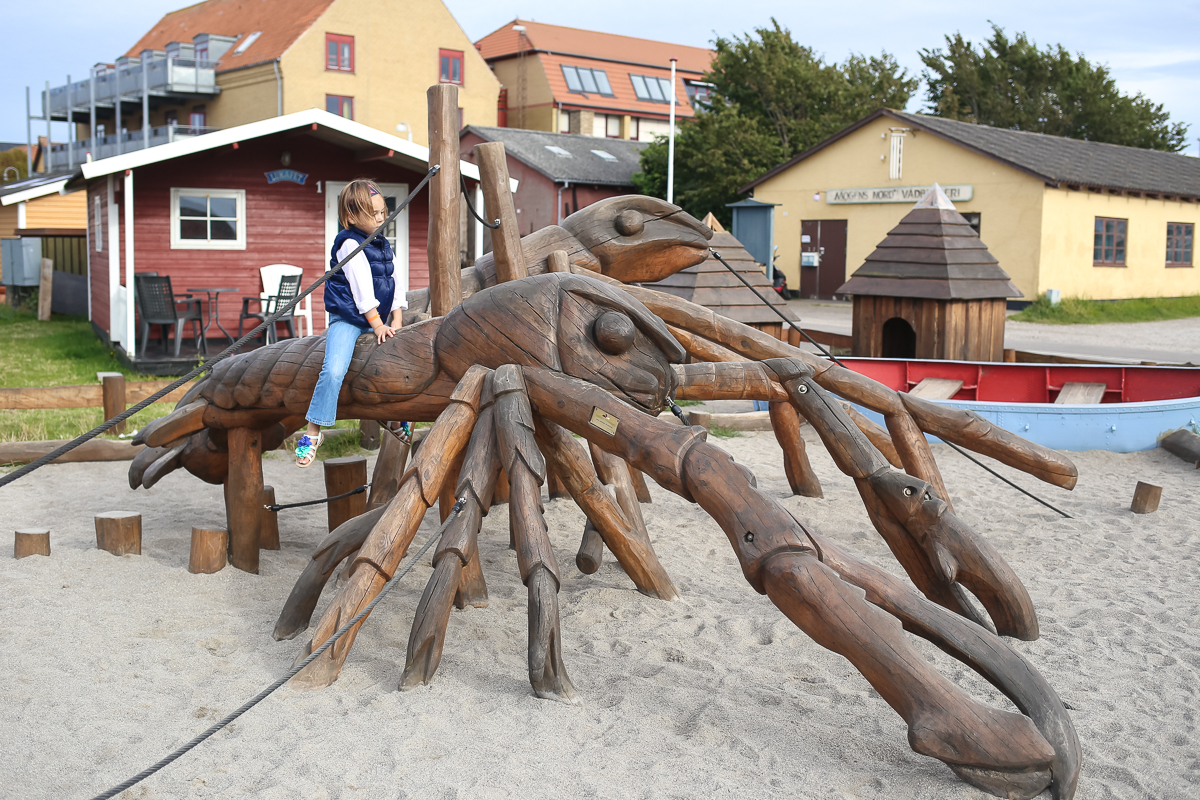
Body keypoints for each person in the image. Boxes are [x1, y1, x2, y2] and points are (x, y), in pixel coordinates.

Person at [295, 179, 406, 466]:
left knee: (398, 362)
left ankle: (391, 415)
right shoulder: (349, 244)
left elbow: (393, 280)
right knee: (333, 369)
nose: (381, 218)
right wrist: (377, 324)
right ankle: (314, 431)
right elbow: (362, 290)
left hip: (378, 317)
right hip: (349, 317)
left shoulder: (382, 244)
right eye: (374, 214)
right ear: (352, 217)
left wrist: (396, 317)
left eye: (383, 212)